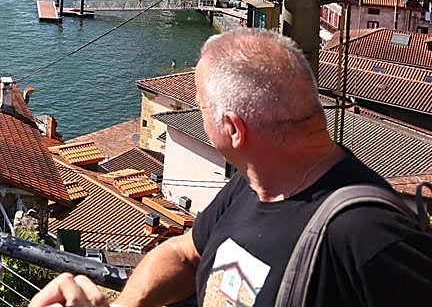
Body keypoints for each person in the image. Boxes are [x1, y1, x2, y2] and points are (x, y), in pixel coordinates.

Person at [31, 29, 432, 307]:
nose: (197, 114)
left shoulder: (368, 233)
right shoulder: (255, 182)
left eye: (201, 107)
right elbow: (185, 254)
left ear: (234, 130)